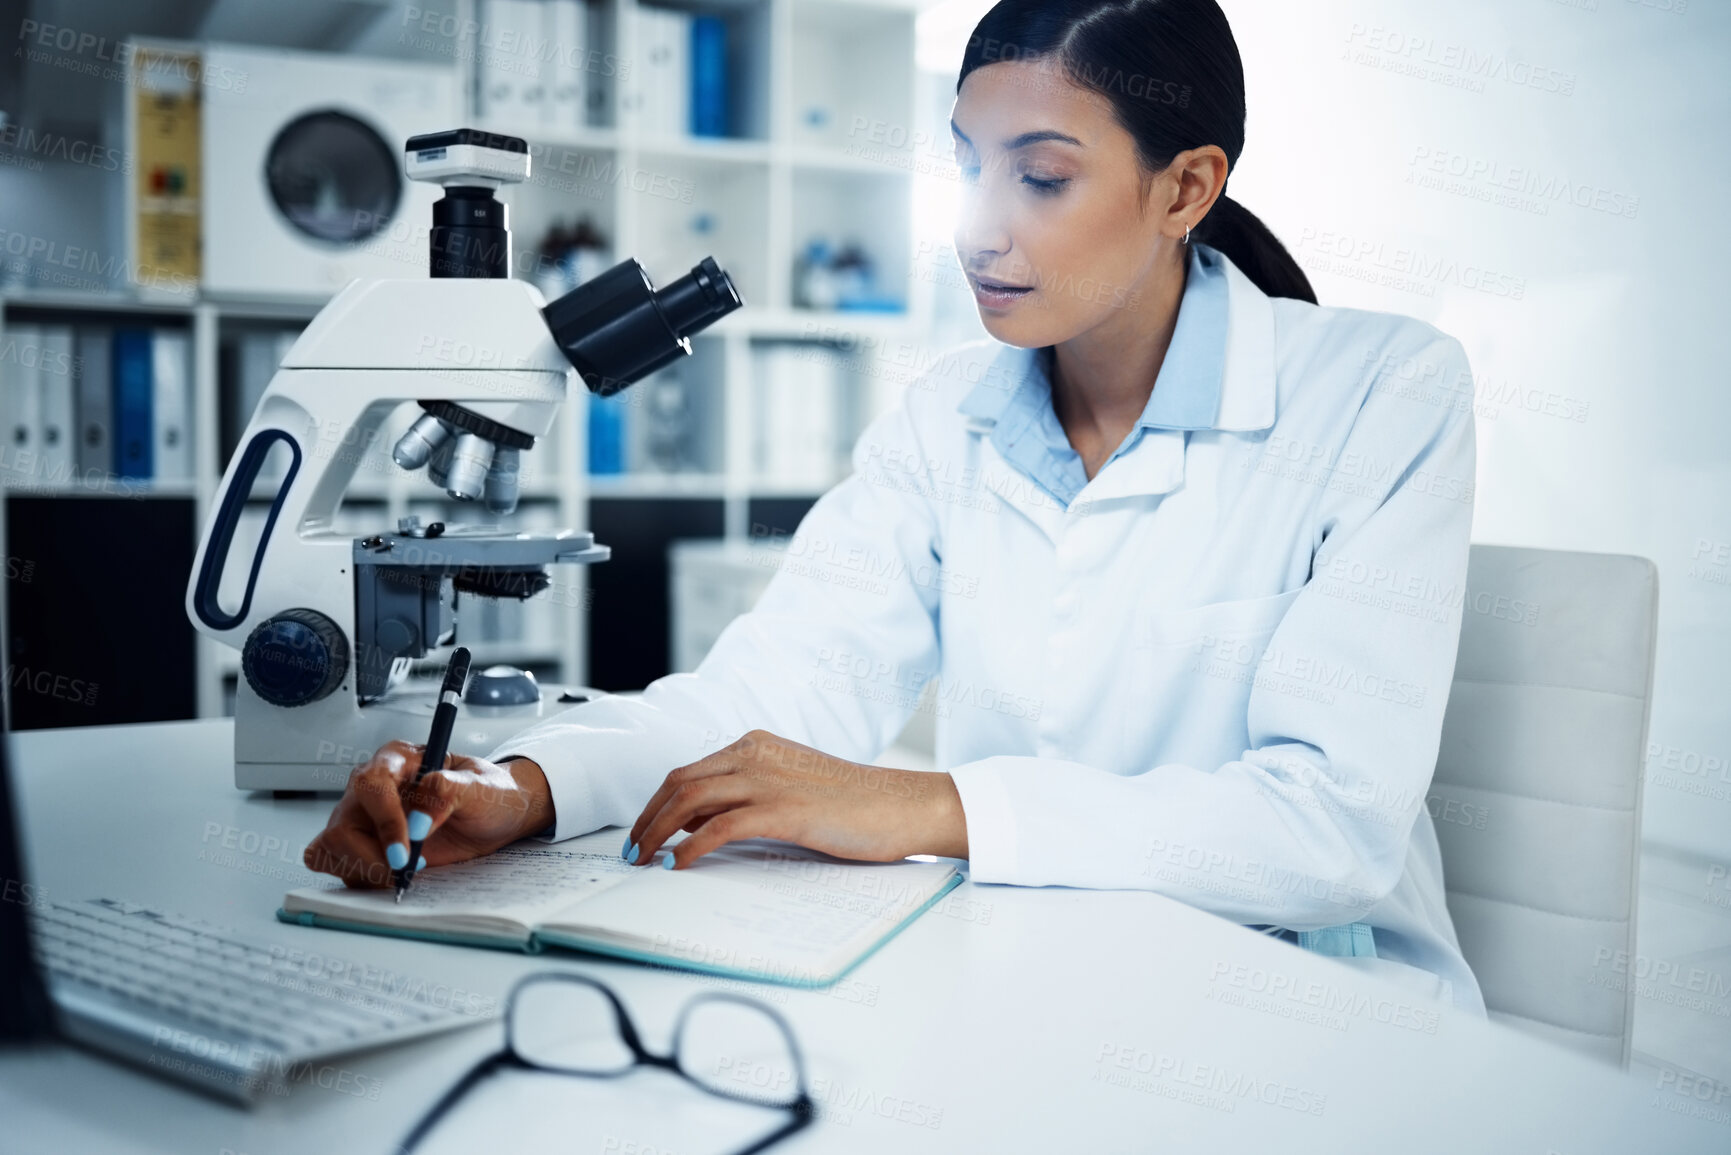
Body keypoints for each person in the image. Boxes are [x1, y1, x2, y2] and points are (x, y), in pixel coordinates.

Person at [305, 0, 1486, 1015]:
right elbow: (769, 695)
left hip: (1303, 1004)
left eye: (1040, 176)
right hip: (1033, 976)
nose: (978, 225)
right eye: (969, 164)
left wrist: (927, 803)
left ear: (1186, 186)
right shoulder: (949, 416)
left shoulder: (1383, 391)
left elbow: (1329, 826)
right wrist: (525, 787)